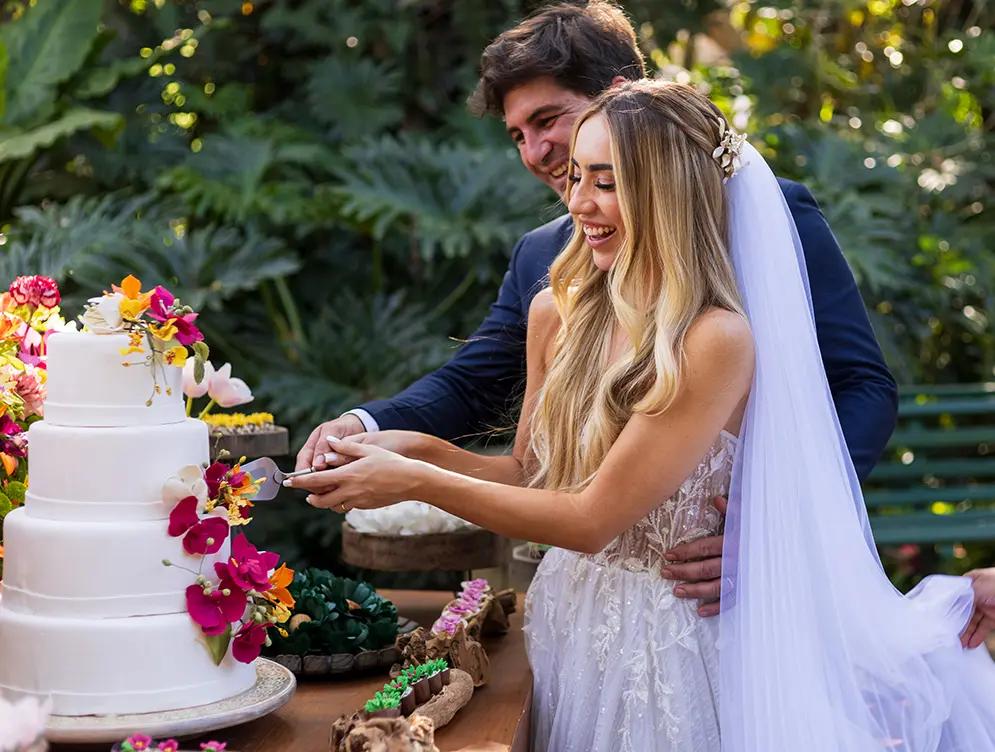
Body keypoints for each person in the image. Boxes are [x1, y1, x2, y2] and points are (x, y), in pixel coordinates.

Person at [287, 80, 995, 751]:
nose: (579, 203)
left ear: (668, 193)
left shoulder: (712, 341)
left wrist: (415, 483)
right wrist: (413, 449)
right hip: (572, 624)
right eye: (577, 178)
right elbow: (531, 479)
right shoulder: (557, 314)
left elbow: (591, 518)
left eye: (607, 182)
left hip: (678, 641)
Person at [296, 0, 899, 617]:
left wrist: (775, 523)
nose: (536, 153)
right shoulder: (547, 262)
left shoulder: (771, 220)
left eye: (547, 120)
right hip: (589, 604)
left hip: (721, 597)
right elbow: (480, 387)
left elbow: (861, 385)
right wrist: (369, 428)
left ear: (620, 95)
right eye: (517, 136)